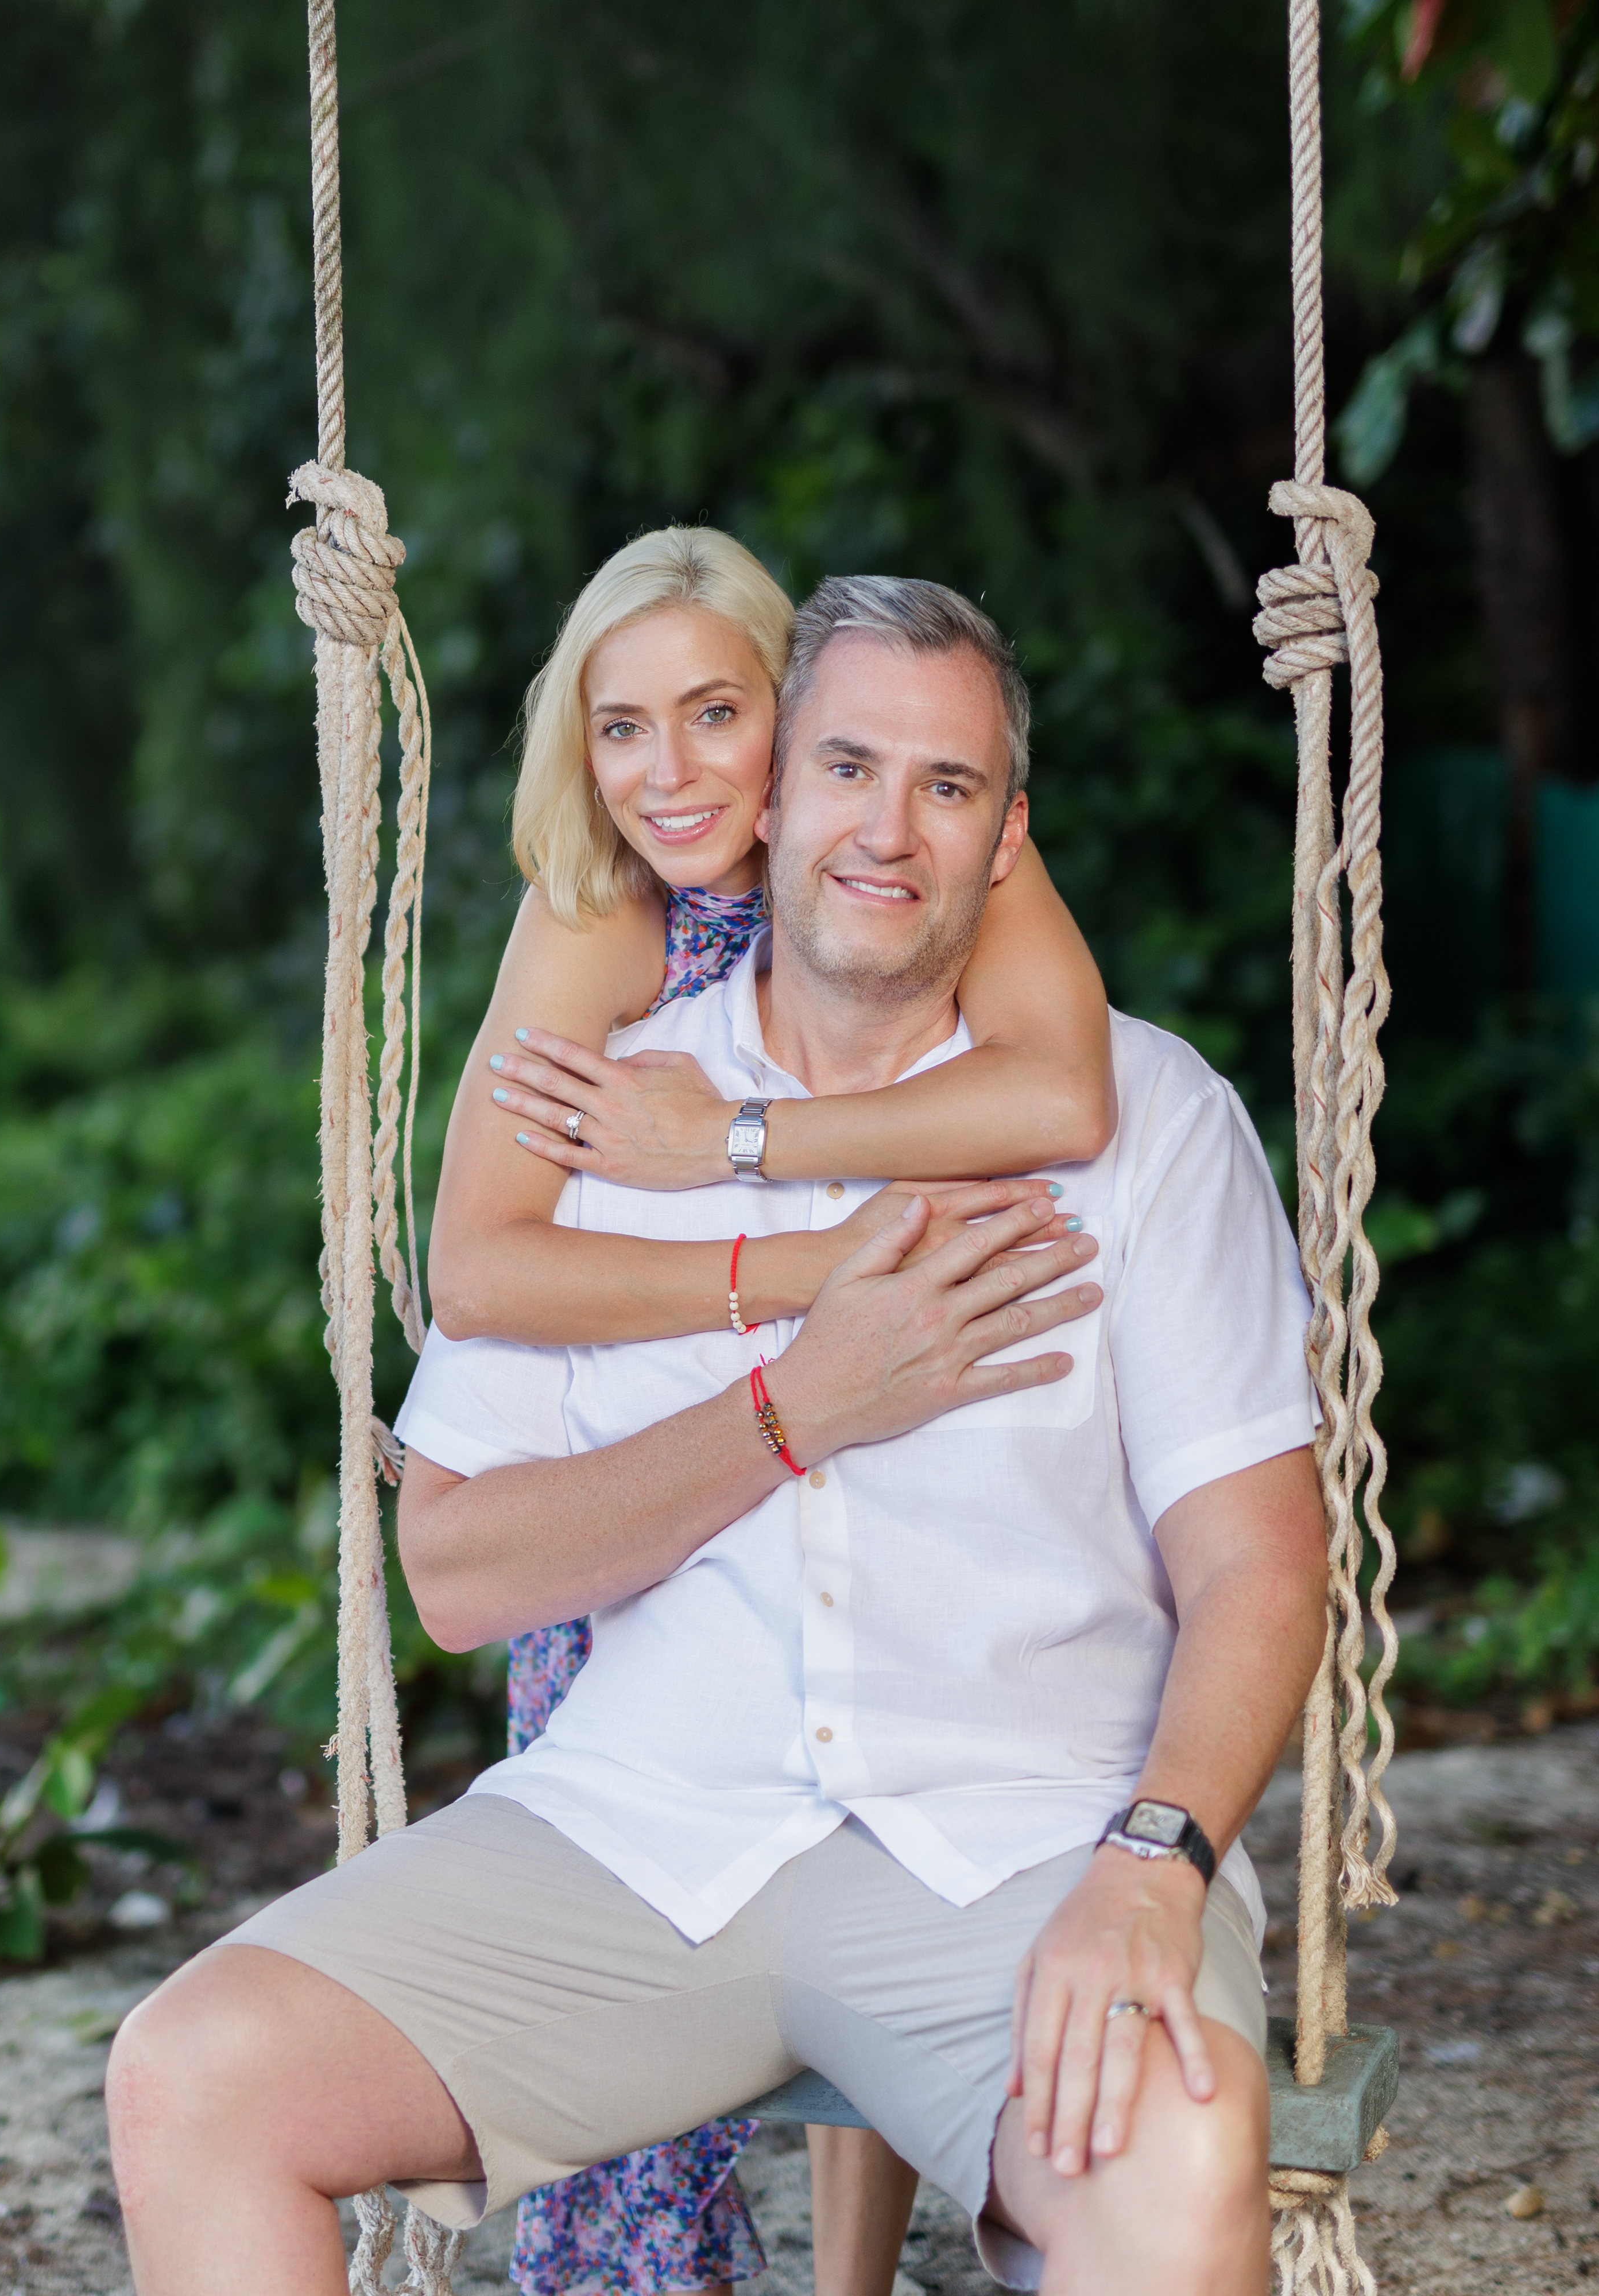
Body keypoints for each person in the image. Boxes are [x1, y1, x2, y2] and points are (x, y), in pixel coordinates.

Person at [107, 576, 1329, 2296]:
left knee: (1176, 2154)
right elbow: (453, 1571)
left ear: (1008, 836)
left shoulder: (1150, 1124)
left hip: (1026, 1839)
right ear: (773, 795)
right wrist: (796, 1409)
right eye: (849, 768)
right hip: (643, 1835)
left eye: (948, 787)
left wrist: (1155, 1865)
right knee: (195, 2078)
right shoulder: (600, 1113)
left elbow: (1261, 1566)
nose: (887, 831)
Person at [424, 529, 1121, 2296]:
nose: (667, 774)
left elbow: (1064, 1093)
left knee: (872, 1785)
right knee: (671, 1935)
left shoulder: (907, 833)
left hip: (906, 1411)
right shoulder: (604, 913)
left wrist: (739, 1144)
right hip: (690, 1409)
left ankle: (853, 2283)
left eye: (715, 715)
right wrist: (800, 1276)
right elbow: (478, 1271)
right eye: (620, 727)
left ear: (794, 714)